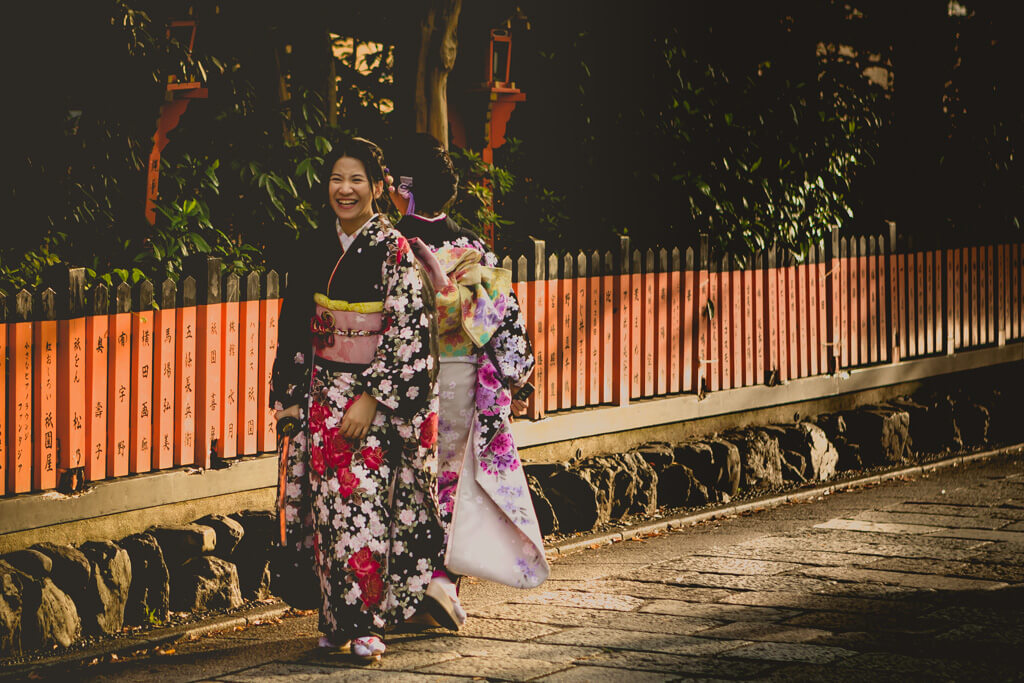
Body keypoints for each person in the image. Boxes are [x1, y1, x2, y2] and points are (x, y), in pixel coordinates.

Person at [270, 136, 451, 662]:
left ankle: (366, 623)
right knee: (327, 514)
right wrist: (289, 397)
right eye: (335, 180)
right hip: (322, 396)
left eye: (356, 180)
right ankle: (335, 620)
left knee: (365, 510)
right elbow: (294, 328)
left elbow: (410, 336)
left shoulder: (396, 251)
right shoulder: (313, 247)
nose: (344, 190)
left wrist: (373, 397)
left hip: (372, 403)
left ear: (378, 188)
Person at [384, 133, 549, 611]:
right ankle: (441, 579)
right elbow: (504, 319)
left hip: (404, 379)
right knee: (453, 481)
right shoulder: (474, 247)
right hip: (461, 377)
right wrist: (515, 375)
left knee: (406, 479)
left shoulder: (393, 244)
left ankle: (410, 588)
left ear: (405, 187)